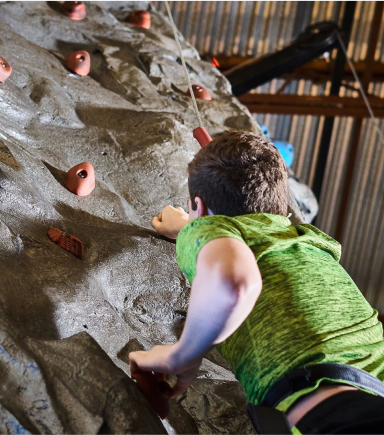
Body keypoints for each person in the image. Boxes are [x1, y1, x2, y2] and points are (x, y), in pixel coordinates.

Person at [131, 131, 384, 433]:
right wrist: (194, 223)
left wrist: (181, 356)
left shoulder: (209, 228)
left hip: (330, 407)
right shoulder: (309, 240)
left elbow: (235, 282)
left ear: (199, 208)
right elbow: (255, 237)